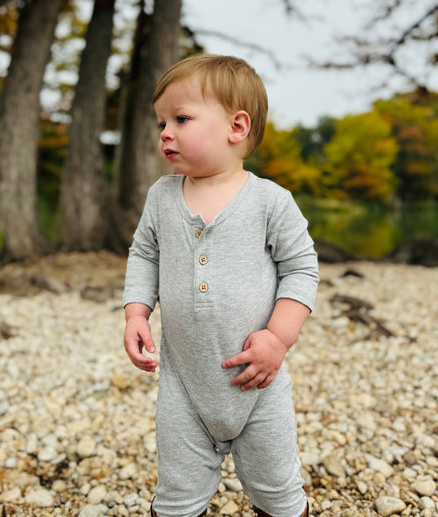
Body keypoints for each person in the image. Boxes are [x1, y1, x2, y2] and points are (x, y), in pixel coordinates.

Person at [123, 54, 319, 517]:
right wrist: (136, 312)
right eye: (161, 122)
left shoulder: (270, 201)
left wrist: (278, 338)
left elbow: (302, 269)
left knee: (277, 491)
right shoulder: (161, 196)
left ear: (237, 126)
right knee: (178, 494)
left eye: (181, 119)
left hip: (257, 382)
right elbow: (144, 254)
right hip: (183, 383)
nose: (165, 132)